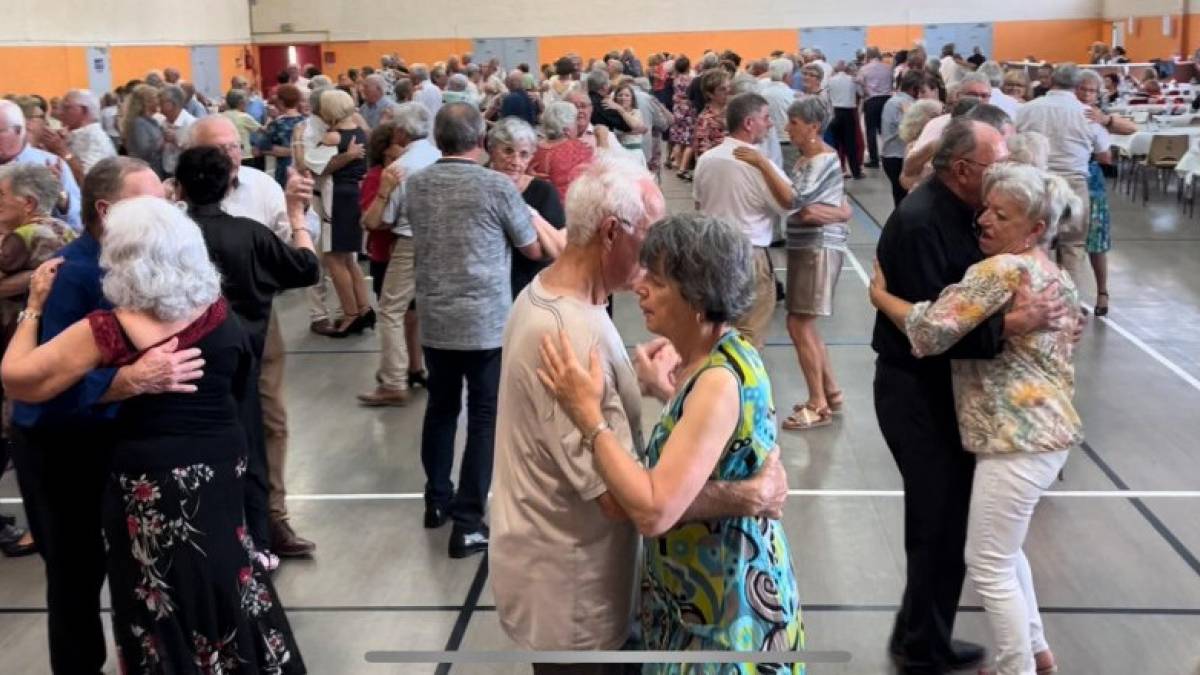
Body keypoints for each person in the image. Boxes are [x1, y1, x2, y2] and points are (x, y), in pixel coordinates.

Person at [2, 197, 306, 674]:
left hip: (150, 480)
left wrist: (34, 308)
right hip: (221, 466)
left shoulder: (110, 329)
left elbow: (18, 380)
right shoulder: (215, 309)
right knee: (225, 574)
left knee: (158, 593)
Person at [537, 212, 803, 671]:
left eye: (657, 281)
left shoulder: (717, 382)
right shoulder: (718, 355)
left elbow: (653, 510)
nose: (640, 287)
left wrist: (588, 416)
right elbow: (713, 438)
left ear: (698, 298)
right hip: (698, 601)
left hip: (723, 616)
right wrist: (668, 393)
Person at [870, 162, 1081, 675]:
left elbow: (928, 332)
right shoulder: (1053, 272)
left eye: (1001, 216)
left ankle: (1015, 667)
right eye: (986, 208)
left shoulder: (999, 271)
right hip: (1048, 435)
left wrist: (880, 295)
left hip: (1015, 438)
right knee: (1008, 553)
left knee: (988, 565)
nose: (983, 220)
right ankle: (1036, 651)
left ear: (1034, 228)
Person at [6, 156, 198, 674]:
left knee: (133, 564)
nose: (165, 212)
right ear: (107, 210)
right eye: (150, 202)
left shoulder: (138, 261)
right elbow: (45, 382)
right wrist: (126, 381)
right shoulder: (73, 274)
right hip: (58, 446)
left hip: (111, 439)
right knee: (76, 571)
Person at [404, 103, 558, 558]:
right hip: (485, 323)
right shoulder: (495, 186)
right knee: (484, 417)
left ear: (438, 138)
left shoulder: (417, 183)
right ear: (481, 141)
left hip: (436, 317)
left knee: (441, 409)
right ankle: (469, 522)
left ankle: (437, 500)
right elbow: (532, 250)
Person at [735, 97, 852, 430]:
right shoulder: (804, 160)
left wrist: (761, 163)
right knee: (804, 322)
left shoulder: (823, 160)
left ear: (814, 127)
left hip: (818, 248)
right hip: (804, 246)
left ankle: (818, 403)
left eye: (795, 123)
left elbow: (797, 202)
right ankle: (831, 392)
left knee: (799, 324)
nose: (788, 129)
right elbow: (803, 209)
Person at [358, 103, 441, 407]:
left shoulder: (399, 168)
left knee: (391, 309)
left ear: (401, 132)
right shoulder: (438, 157)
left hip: (410, 241)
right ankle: (417, 367)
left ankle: (393, 380)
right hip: (442, 240)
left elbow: (382, 219)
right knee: (421, 309)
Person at [693, 93, 788, 349]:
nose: (770, 123)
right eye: (766, 118)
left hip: (711, 253)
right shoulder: (759, 164)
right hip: (749, 254)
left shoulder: (706, 159)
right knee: (749, 334)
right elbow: (788, 203)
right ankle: (740, 373)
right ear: (748, 123)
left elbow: (699, 204)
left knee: (713, 328)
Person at [1015, 64, 1109, 289]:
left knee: (1037, 242)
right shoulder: (1087, 113)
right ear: (1077, 85)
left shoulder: (1027, 109)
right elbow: (1105, 155)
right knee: (1073, 246)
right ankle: (1070, 300)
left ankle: (1038, 295)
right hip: (1074, 183)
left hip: (1038, 182)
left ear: (1050, 81)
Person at [316, 89, 373, 335]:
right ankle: (364, 308)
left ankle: (350, 314)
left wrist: (345, 157)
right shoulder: (360, 131)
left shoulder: (332, 136)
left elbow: (316, 167)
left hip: (338, 197)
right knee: (349, 258)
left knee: (334, 258)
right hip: (354, 195)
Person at [488, 117, 565, 296]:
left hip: (532, 290)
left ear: (531, 157)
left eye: (524, 154)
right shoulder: (478, 184)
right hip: (488, 291)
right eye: (508, 151)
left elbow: (558, 248)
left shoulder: (543, 191)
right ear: (492, 150)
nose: (516, 161)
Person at [880, 71, 928, 206]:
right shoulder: (905, 104)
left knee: (901, 197)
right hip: (898, 156)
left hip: (892, 155)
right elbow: (911, 131)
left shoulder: (894, 101)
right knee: (903, 198)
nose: (924, 95)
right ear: (914, 89)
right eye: (923, 91)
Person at [531, 101, 595, 201]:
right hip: (571, 205)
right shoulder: (579, 150)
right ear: (567, 130)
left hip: (539, 205)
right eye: (575, 121)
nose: (577, 125)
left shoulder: (533, 149)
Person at [264, 84, 306, 187]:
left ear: (280, 101)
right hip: (305, 169)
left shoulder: (277, 124)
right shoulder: (307, 122)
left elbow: (260, 148)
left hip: (285, 170)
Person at [859, 47, 894, 169]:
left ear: (868, 56)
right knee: (885, 129)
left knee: (871, 131)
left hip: (872, 100)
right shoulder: (888, 68)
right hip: (887, 100)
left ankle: (874, 159)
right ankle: (888, 154)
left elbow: (860, 85)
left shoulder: (864, 69)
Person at [123, 84, 166, 177]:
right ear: (147, 102)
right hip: (147, 171)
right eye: (156, 98)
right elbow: (143, 151)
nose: (159, 101)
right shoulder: (139, 123)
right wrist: (162, 142)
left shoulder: (152, 121)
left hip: (155, 169)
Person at [691, 69, 731, 161]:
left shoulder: (732, 111)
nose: (728, 91)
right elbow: (701, 155)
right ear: (710, 94)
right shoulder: (705, 120)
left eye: (729, 87)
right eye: (722, 89)